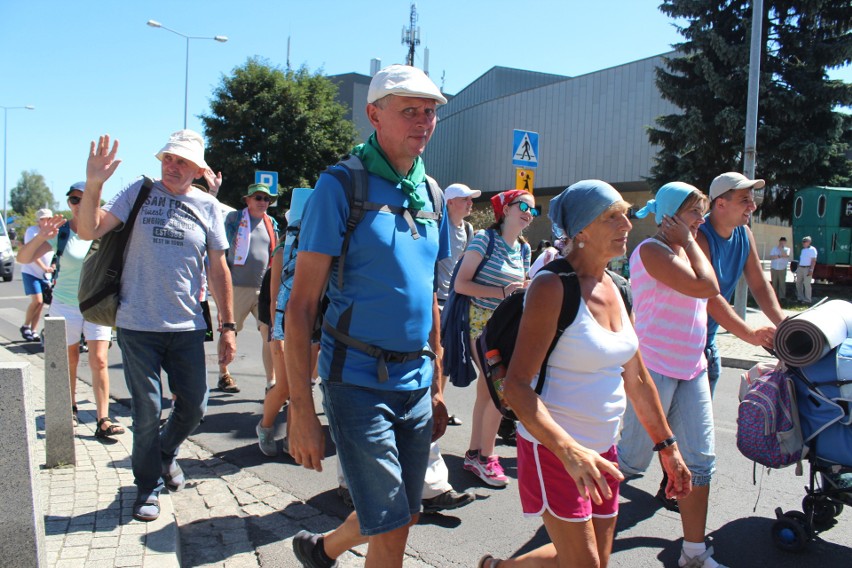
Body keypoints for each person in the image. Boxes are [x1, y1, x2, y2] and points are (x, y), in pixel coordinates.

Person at [284, 64, 449, 568]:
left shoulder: (433, 194)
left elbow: (429, 298)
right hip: (354, 380)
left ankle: (322, 549)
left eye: (430, 112)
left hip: (415, 380)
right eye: (409, 111)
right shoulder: (341, 185)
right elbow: (301, 306)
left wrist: (438, 384)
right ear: (374, 114)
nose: (422, 121)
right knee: (393, 519)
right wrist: (302, 411)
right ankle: (326, 548)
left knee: (404, 512)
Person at [478, 180, 691, 568]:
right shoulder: (552, 286)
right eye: (612, 216)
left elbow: (639, 381)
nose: (626, 224)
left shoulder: (620, 288)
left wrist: (668, 448)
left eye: (626, 213)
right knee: (586, 564)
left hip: (603, 449)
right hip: (554, 450)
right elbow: (518, 387)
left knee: (595, 559)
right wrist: (569, 451)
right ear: (580, 232)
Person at [78, 130, 236, 523]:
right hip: (137, 322)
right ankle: (146, 485)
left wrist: (228, 325)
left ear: (198, 169)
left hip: (186, 324)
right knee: (147, 408)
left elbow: (218, 269)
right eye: (167, 157)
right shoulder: (139, 191)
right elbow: (88, 229)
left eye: (181, 161)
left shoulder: (209, 206)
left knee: (195, 406)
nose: (171, 165)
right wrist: (94, 183)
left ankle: (165, 453)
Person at [617, 182, 727, 568]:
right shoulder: (651, 250)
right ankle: (575, 531)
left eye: (702, 211)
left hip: (691, 370)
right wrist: (692, 242)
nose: (702, 219)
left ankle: (694, 553)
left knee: (700, 463)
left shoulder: (686, 249)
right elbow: (707, 286)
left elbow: (715, 297)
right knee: (629, 463)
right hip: (654, 370)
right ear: (669, 216)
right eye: (695, 211)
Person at [17, 183, 125, 437]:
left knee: (99, 359)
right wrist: (42, 236)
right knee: (70, 359)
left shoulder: (105, 230)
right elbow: (23, 258)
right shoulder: (62, 232)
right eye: (73, 200)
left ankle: (103, 419)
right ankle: (70, 408)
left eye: (84, 199)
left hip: (97, 304)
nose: (78, 205)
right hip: (65, 304)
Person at [455, 189, 536, 487]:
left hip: (505, 329)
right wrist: (501, 292)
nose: (530, 212)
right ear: (505, 209)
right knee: (497, 391)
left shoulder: (524, 249)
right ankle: (486, 458)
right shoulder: (484, 240)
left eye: (534, 209)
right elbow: (462, 284)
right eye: (524, 206)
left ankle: (474, 453)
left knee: (485, 392)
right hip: (481, 327)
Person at [697, 172, 787, 397]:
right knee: (664, 430)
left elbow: (759, 285)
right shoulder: (699, 236)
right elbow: (709, 296)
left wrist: (786, 325)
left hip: (706, 342)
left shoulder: (744, 234)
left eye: (753, 199)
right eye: (745, 200)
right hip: (680, 347)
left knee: (699, 431)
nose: (753, 206)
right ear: (720, 203)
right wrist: (750, 334)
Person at [219, 182, 280, 394]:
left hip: (264, 289)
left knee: (269, 335)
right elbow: (221, 248)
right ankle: (223, 374)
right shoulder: (234, 220)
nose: (263, 202)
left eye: (267, 199)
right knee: (229, 330)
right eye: (259, 198)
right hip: (236, 287)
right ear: (248, 200)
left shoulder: (271, 222)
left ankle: (271, 383)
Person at [19, 208, 55, 342]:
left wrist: (52, 266)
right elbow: (32, 253)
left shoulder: (53, 232)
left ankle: (33, 330)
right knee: (37, 301)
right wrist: (44, 267)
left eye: (48, 218)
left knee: (41, 304)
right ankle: (25, 326)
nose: (45, 221)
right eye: (43, 219)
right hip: (31, 272)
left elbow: (56, 252)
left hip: (45, 275)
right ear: (38, 220)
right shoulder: (32, 232)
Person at [795, 236, 817, 304]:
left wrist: (811, 270)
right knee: (798, 283)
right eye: (803, 241)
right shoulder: (803, 250)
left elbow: (813, 260)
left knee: (807, 284)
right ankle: (800, 298)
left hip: (807, 268)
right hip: (800, 268)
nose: (803, 243)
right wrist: (798, 268)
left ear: (809, 242)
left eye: (805, 241)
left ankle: (808, 300)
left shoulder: (812, 249)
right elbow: (801, 259)